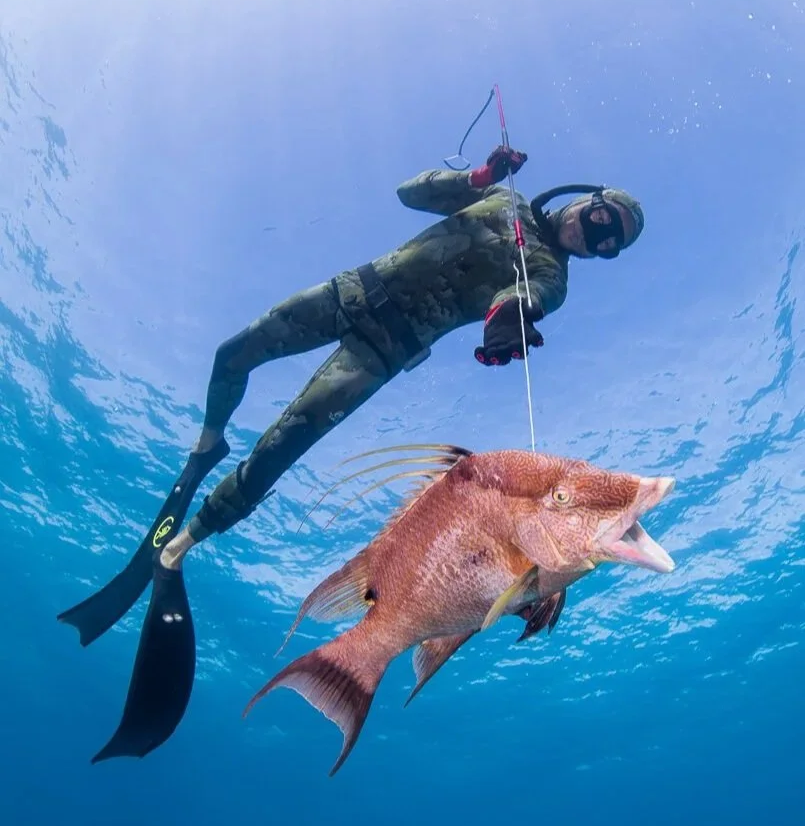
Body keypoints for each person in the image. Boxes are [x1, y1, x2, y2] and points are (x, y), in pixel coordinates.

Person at [58, 146, 644, 763]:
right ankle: (210, 439)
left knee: (283, 443)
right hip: (352, 292)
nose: (597, 238)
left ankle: (187, 541)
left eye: (610, 246)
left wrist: (507, 319)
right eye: (603, 220)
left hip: (385, 349)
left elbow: (523, 297)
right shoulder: (506, 199)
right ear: (588, 199)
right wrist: (479, 177)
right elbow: (411, 194)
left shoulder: (550, 275)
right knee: (233, 354)